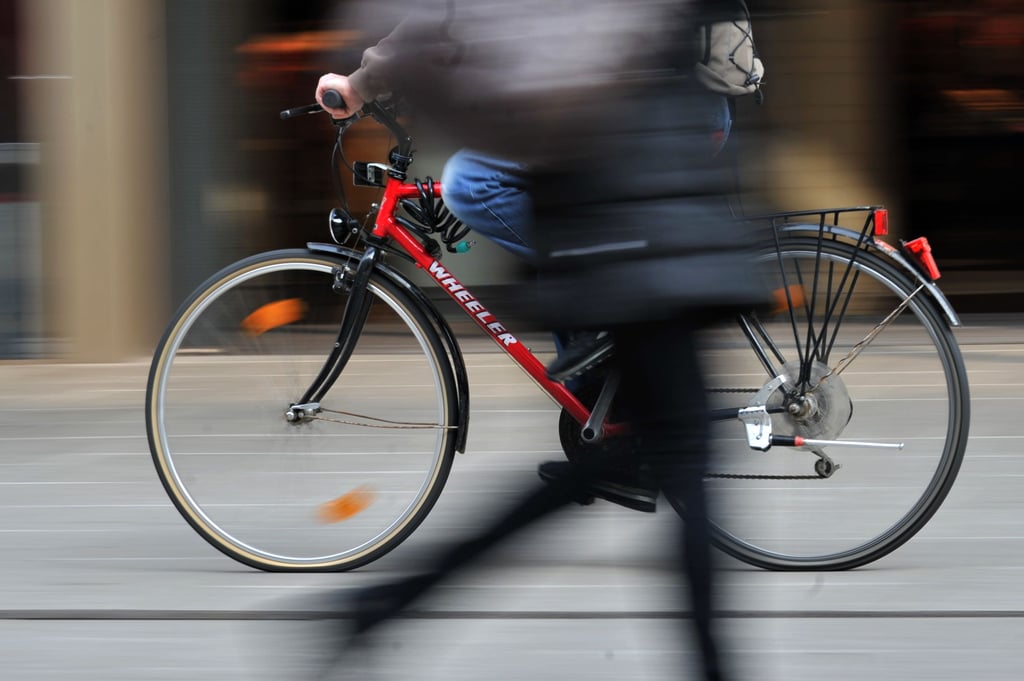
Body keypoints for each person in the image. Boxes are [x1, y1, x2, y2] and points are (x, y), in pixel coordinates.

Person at [312, 2, 770, 680]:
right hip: (637, 164)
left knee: (471, 180)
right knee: (666, 453)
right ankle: (389, 602)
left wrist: (363, 80)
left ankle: (390, 601)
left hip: (625, 174)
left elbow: (451, 19)